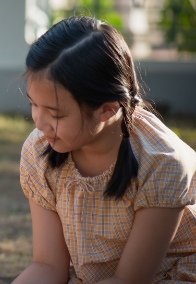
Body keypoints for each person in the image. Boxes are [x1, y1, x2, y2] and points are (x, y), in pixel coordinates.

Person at [13, 16, 196, 284]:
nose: (39, 123)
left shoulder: (163, 162)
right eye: (34, 105)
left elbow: (129, 280)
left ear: (108, 109)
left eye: (56, 114)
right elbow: (48, 266)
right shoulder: (40, 149)